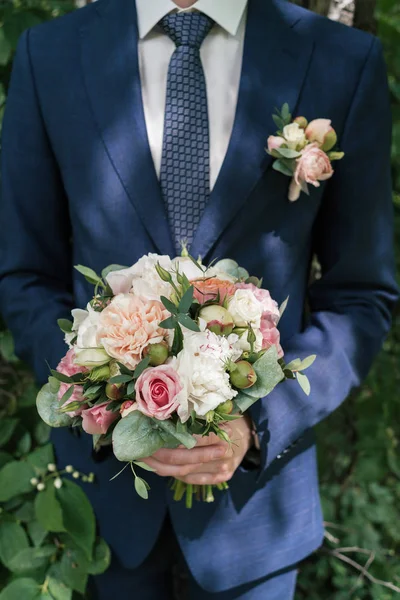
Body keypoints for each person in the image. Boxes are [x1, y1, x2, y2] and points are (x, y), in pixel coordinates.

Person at [0, 0, 398, 598]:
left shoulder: (340, 59)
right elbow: (25, 276)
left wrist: (258, 424)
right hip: (108, 508)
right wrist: (102, 403)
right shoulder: (51, 55)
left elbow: (361, 294)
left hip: (256, 516)